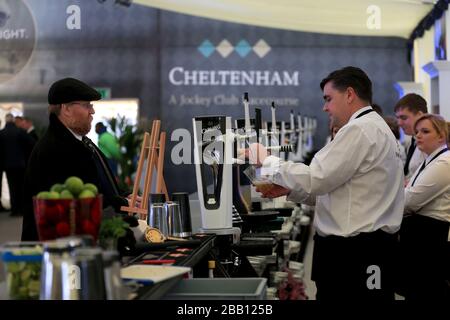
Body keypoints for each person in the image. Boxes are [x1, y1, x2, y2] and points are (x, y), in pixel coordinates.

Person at [247, 66, 404, 300]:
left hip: (354, 252)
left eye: (329, 99)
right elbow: (340, 189)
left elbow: (316, 179)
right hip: (368, 248)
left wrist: (266, 161)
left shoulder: (360, 129)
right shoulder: (376, 128)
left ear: (349, 94)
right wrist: (291, 190)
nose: (325, 107)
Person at [22, 78, 130, 241]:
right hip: (60, 249)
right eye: (87, 105)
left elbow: (97, 182)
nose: (92, 111)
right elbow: (78, 201)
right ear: (65, 108)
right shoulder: (56, 148)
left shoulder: (77, 141)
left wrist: (124, 196)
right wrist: (120, 202)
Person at [400, 114, 449, 300]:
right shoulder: (429, 160)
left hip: (431, 239)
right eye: (417, 131)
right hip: (419, 237)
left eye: (425, 131)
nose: (418, 135)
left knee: (427, 292)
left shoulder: (445, 162)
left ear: (441, 136)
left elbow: (408, 201)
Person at [0, 114, 35, 216]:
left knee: (12, 186)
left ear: (5, 121)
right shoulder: (20, 132)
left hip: (7, 165)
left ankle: (14, 209)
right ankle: (20, 209)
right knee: (20, 186)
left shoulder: (1, 133)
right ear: (13, 121)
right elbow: (32, 143)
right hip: (20, 164)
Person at [394, 93, 427, 183]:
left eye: (404, 118)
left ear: (420, 115)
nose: (399, 123)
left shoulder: (429, 144)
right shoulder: (412, 142)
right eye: (397, 118)